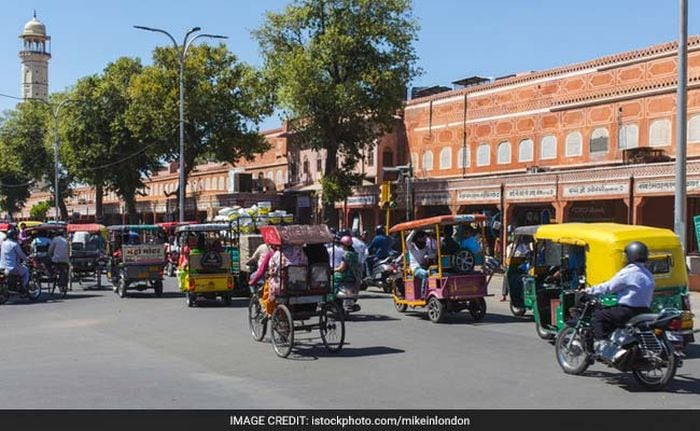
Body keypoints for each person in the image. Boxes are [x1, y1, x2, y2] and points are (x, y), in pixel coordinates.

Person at [585, 241, 654, 358]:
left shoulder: (628, 272)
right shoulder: (648, 273)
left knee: (598, 316)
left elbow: (609, 287)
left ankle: (602, 345)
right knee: (611, 314)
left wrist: (590, 291)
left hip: (627, 311)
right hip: (645, 311)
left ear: (630, 256)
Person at [407, 230, 436, 297]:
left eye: (426, 238)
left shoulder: (426, 248)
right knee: (425, 274)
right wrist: (414, 230)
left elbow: (433, 254)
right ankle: (423, 294)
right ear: (418, 238)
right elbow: (407, 240)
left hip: (425, 267)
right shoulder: (412, 247)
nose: (425, 240)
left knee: (436, 273)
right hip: (415, 268)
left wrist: (428, 256)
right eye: (424, 238)